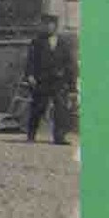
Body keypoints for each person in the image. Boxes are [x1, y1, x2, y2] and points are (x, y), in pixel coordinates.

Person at [24, 14, 78, 144]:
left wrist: (72, 86)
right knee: (38, 107)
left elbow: (70, 65)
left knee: (61, 110)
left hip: (59, 82)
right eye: (45, 25)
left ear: (56, 27)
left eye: (51, 25)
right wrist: (30, 75)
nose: (48, 27)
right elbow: (30, 61)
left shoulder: (64, 43)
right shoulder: (37, 42)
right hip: (42, 80)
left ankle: (59, 137)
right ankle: (31, 134)